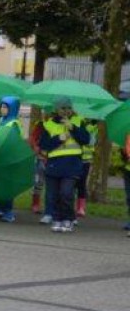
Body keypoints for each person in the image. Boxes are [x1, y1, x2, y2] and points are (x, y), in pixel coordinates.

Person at [38, 96, 89, 233]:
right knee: (54, 195)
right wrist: (59, 139)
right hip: (54, 165)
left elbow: (86, 139)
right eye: (63, 108)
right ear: (56, 109)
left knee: (66, 193)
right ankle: (57, 219)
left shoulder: (78, 121)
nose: (66, 111)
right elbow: (43, 145)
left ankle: (68, 219)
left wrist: (72, 128)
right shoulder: (48, 124)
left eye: (69, 108)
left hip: (72, 164)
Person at [75, 117, 98, 217]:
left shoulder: (92, 126)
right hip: (74, 157)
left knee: (81, 182)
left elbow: (91, 142)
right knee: (71, 182)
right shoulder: (76, 122)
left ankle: (81, 208)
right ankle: (69, 206)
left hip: (85, 159)